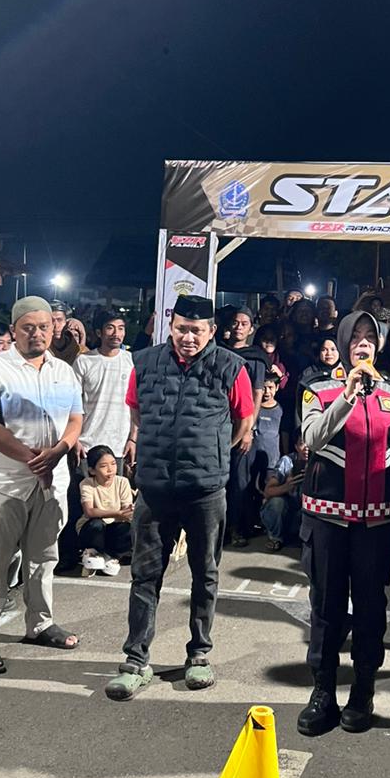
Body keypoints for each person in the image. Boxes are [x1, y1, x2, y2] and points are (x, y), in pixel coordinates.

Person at [105, 295, 253, 699]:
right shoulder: (145, 362)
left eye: (197, 331)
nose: (189, 337)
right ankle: (136, 659)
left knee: (205, 573)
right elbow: (135, 410)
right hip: (155, 488)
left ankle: (199, 655)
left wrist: (215, 452)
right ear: (171, 326)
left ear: (212, 331)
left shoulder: (231, 366)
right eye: (182, 329)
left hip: (206, 489)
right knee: (144, 574)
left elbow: (245, 419)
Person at [295, 310, 390, 737]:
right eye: (355, 336)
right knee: (326, 609)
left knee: (370, 610)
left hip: (378, 525)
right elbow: (313, 438)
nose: (363, 343)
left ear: (379, 344)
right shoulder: (318, 388)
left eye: (370, 336)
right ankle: (323, 691)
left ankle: (363, 689)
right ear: (344, 342)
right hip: (327, 521)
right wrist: (347, 396)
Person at [0, 296, 84, 675]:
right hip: (4, 483)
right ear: (13, 330)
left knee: (43, 557)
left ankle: (40, 624)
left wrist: (60, 450)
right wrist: (32, 459)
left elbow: (76, 418)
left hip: (51, 483)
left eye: (44, 327)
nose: (37, 334)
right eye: (28, 327)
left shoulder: (62, 371)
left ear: (54, 329)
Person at [224, 307, 269, 546]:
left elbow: (257, 392)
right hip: (220, 424)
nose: (239, 327)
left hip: (243, 425)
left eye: (244, 323)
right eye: (235, 322)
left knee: (240, 481)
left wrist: (249, 429)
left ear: (251, 329)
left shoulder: (256, 357)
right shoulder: (218, 352)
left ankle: (237, 528)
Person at [74, 310, 135, 463]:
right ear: (98, 333)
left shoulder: (133, 361)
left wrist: (133, 439)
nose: (116, 333)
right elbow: (73, 405)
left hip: (120, 446)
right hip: (86, 446)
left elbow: (136, 405)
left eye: (121, 328)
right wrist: (74, 439)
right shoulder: (84, 361)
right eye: (110, 328)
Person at [78, 445, 134, 576]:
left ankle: (110, 556)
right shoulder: (87, 483)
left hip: (115, 526)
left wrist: (129, 511)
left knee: (130, 529)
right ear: (92, 470)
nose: (110, 470)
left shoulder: (122, 482)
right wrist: (117, 513)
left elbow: (127, 511)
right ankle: (92, 552)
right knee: (96, 525)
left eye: (113, 464)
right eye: (103, 466)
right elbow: (89, 512)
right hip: (92, 527)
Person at [261, 436, 306, 553]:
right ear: (296, 447)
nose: (306, 448)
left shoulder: (318, 463)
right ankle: (275, 538)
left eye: (309, 443)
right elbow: (267, 492)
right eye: (302, 444)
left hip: (305, 515)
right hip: (288, 514)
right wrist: (286, 487)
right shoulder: (287, 461)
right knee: (276, 503)